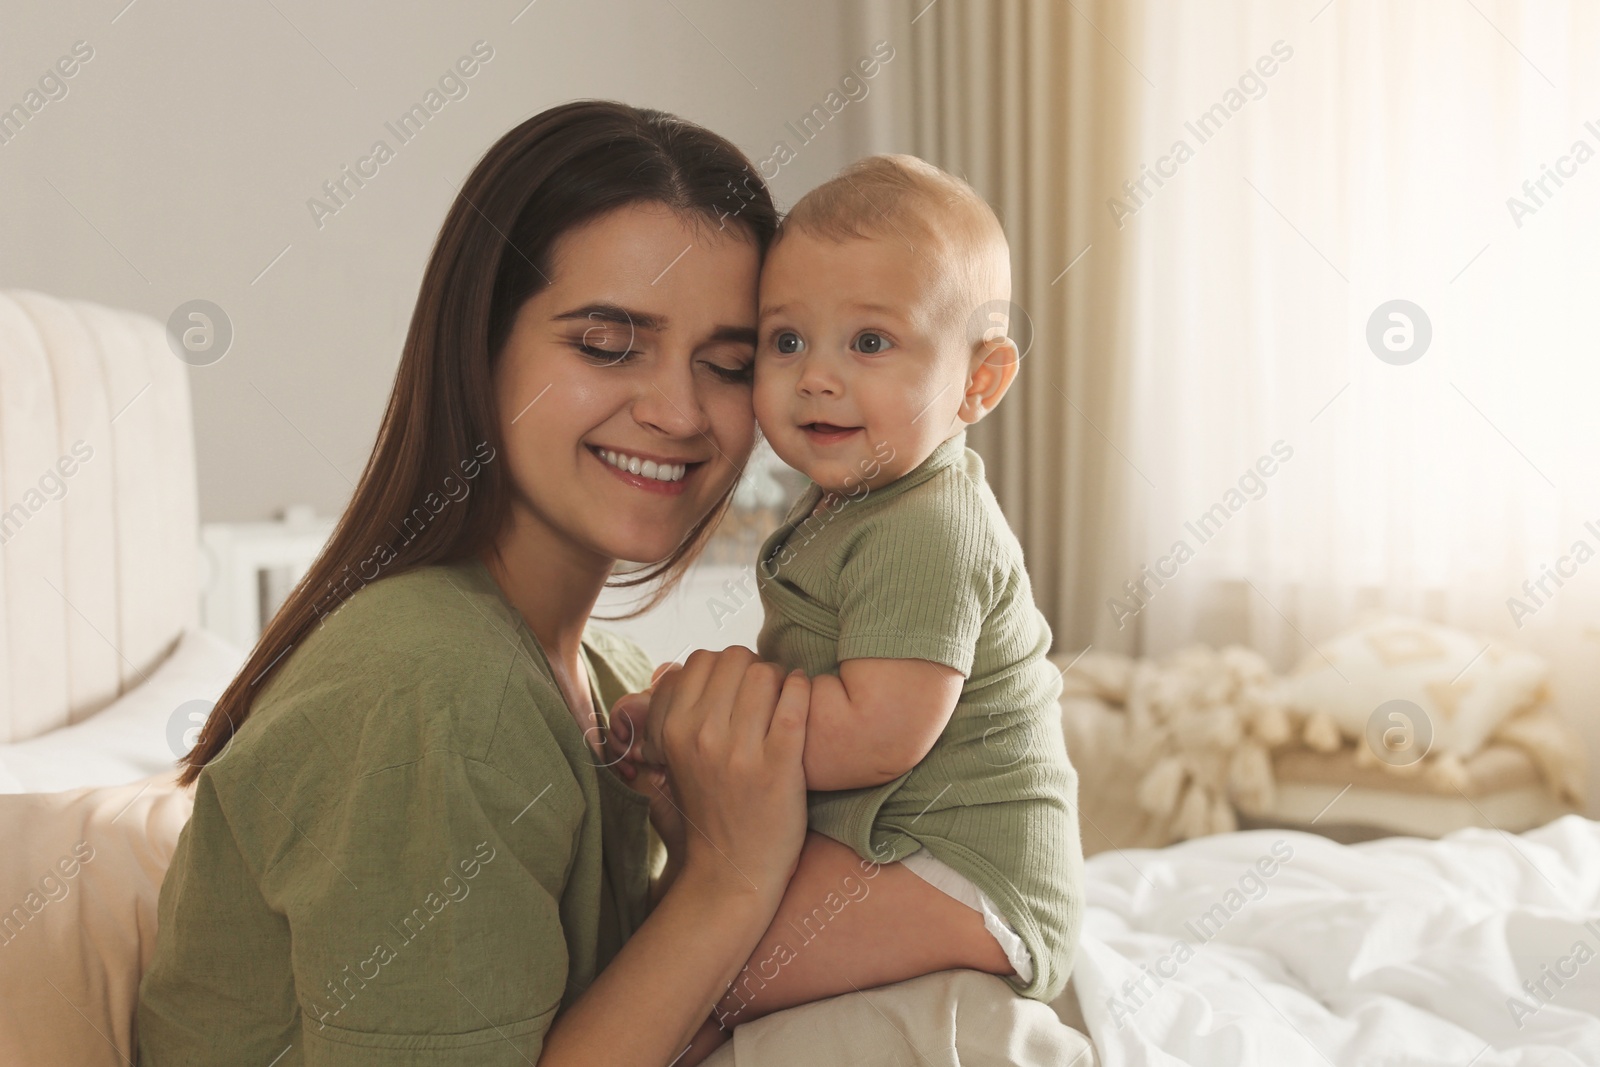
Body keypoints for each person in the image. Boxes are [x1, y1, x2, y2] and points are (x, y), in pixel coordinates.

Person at [136, 100, 812, 1067]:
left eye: (730, 364)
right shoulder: (433, 683)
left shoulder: (614, 681)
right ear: (479, 346)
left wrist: (701, 856)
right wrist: (730, 881)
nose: (677, 410)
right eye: (606, 344)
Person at [612, 154, 1084, 1063]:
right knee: (684, 938)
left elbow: (876, 734)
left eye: (870, 344)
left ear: (977, 383)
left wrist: (697, 730)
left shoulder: (928, 525)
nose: (816, 377)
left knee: (709, 967)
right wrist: (698, 715)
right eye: (787, 342)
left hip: (963, 865)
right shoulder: (852, 506)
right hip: (889, 836)